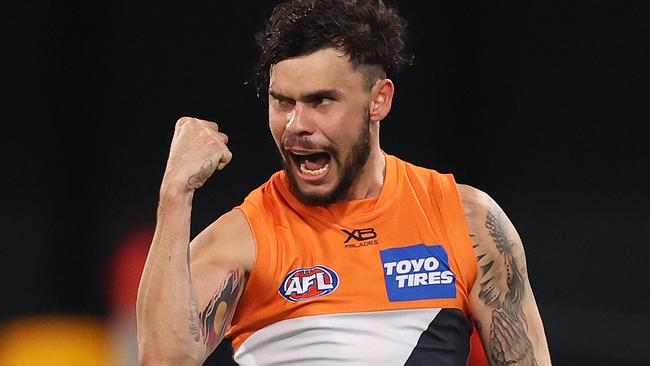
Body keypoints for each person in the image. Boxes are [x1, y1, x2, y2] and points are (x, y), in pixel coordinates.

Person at [136, 0, 551, 365]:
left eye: (321, 101)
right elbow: (164, 362)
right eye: (283, 102)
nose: (297, 125)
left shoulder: (468, 221)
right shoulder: (244, 237)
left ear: (379, 100)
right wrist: (175, 194)